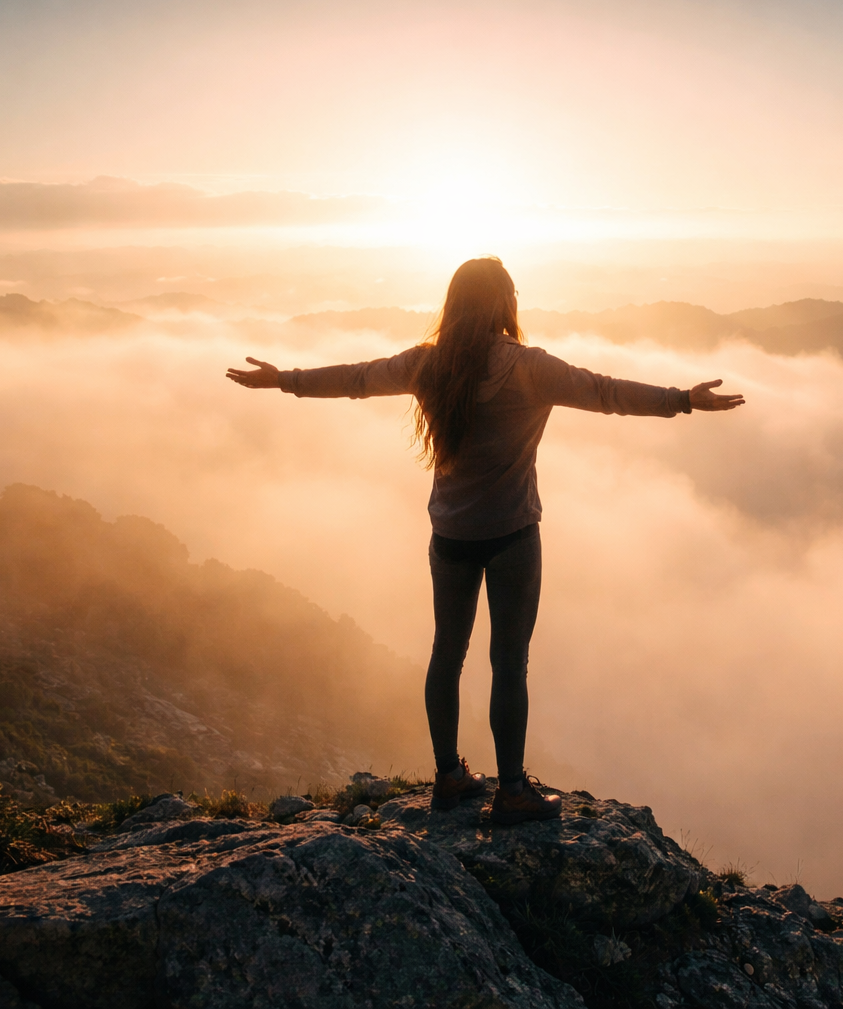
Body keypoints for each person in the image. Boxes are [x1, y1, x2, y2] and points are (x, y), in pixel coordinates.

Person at [226, 257, 744, 824]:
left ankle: (448, 778)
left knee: (446, 655)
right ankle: (512, 791)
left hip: (450, 534)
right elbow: (606, 392)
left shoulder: (428, 365)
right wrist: (683, 399)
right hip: (511, 535)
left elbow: (356, 379)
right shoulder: (528, 368)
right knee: (509, 663)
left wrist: (285, 380)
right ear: (505, 303)